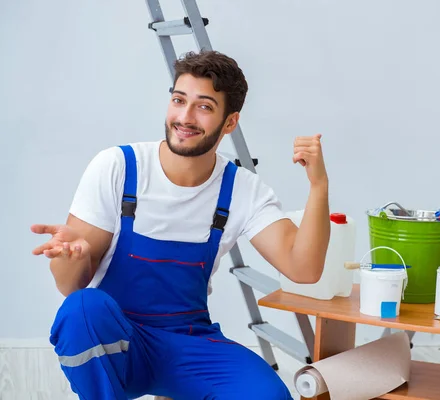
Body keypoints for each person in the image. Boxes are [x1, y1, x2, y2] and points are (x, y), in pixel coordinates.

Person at [31, 50, 330, 400]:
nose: (184, 117)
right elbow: (71, 287)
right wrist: (72, 258)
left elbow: (304, 268)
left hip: (190, 346)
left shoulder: (241, 189)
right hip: (120, 343)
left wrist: (318, 187)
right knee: (82, 308)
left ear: (230, 122)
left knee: (266, 394)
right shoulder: (119, 167)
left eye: (203, 106)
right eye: (178, 100)